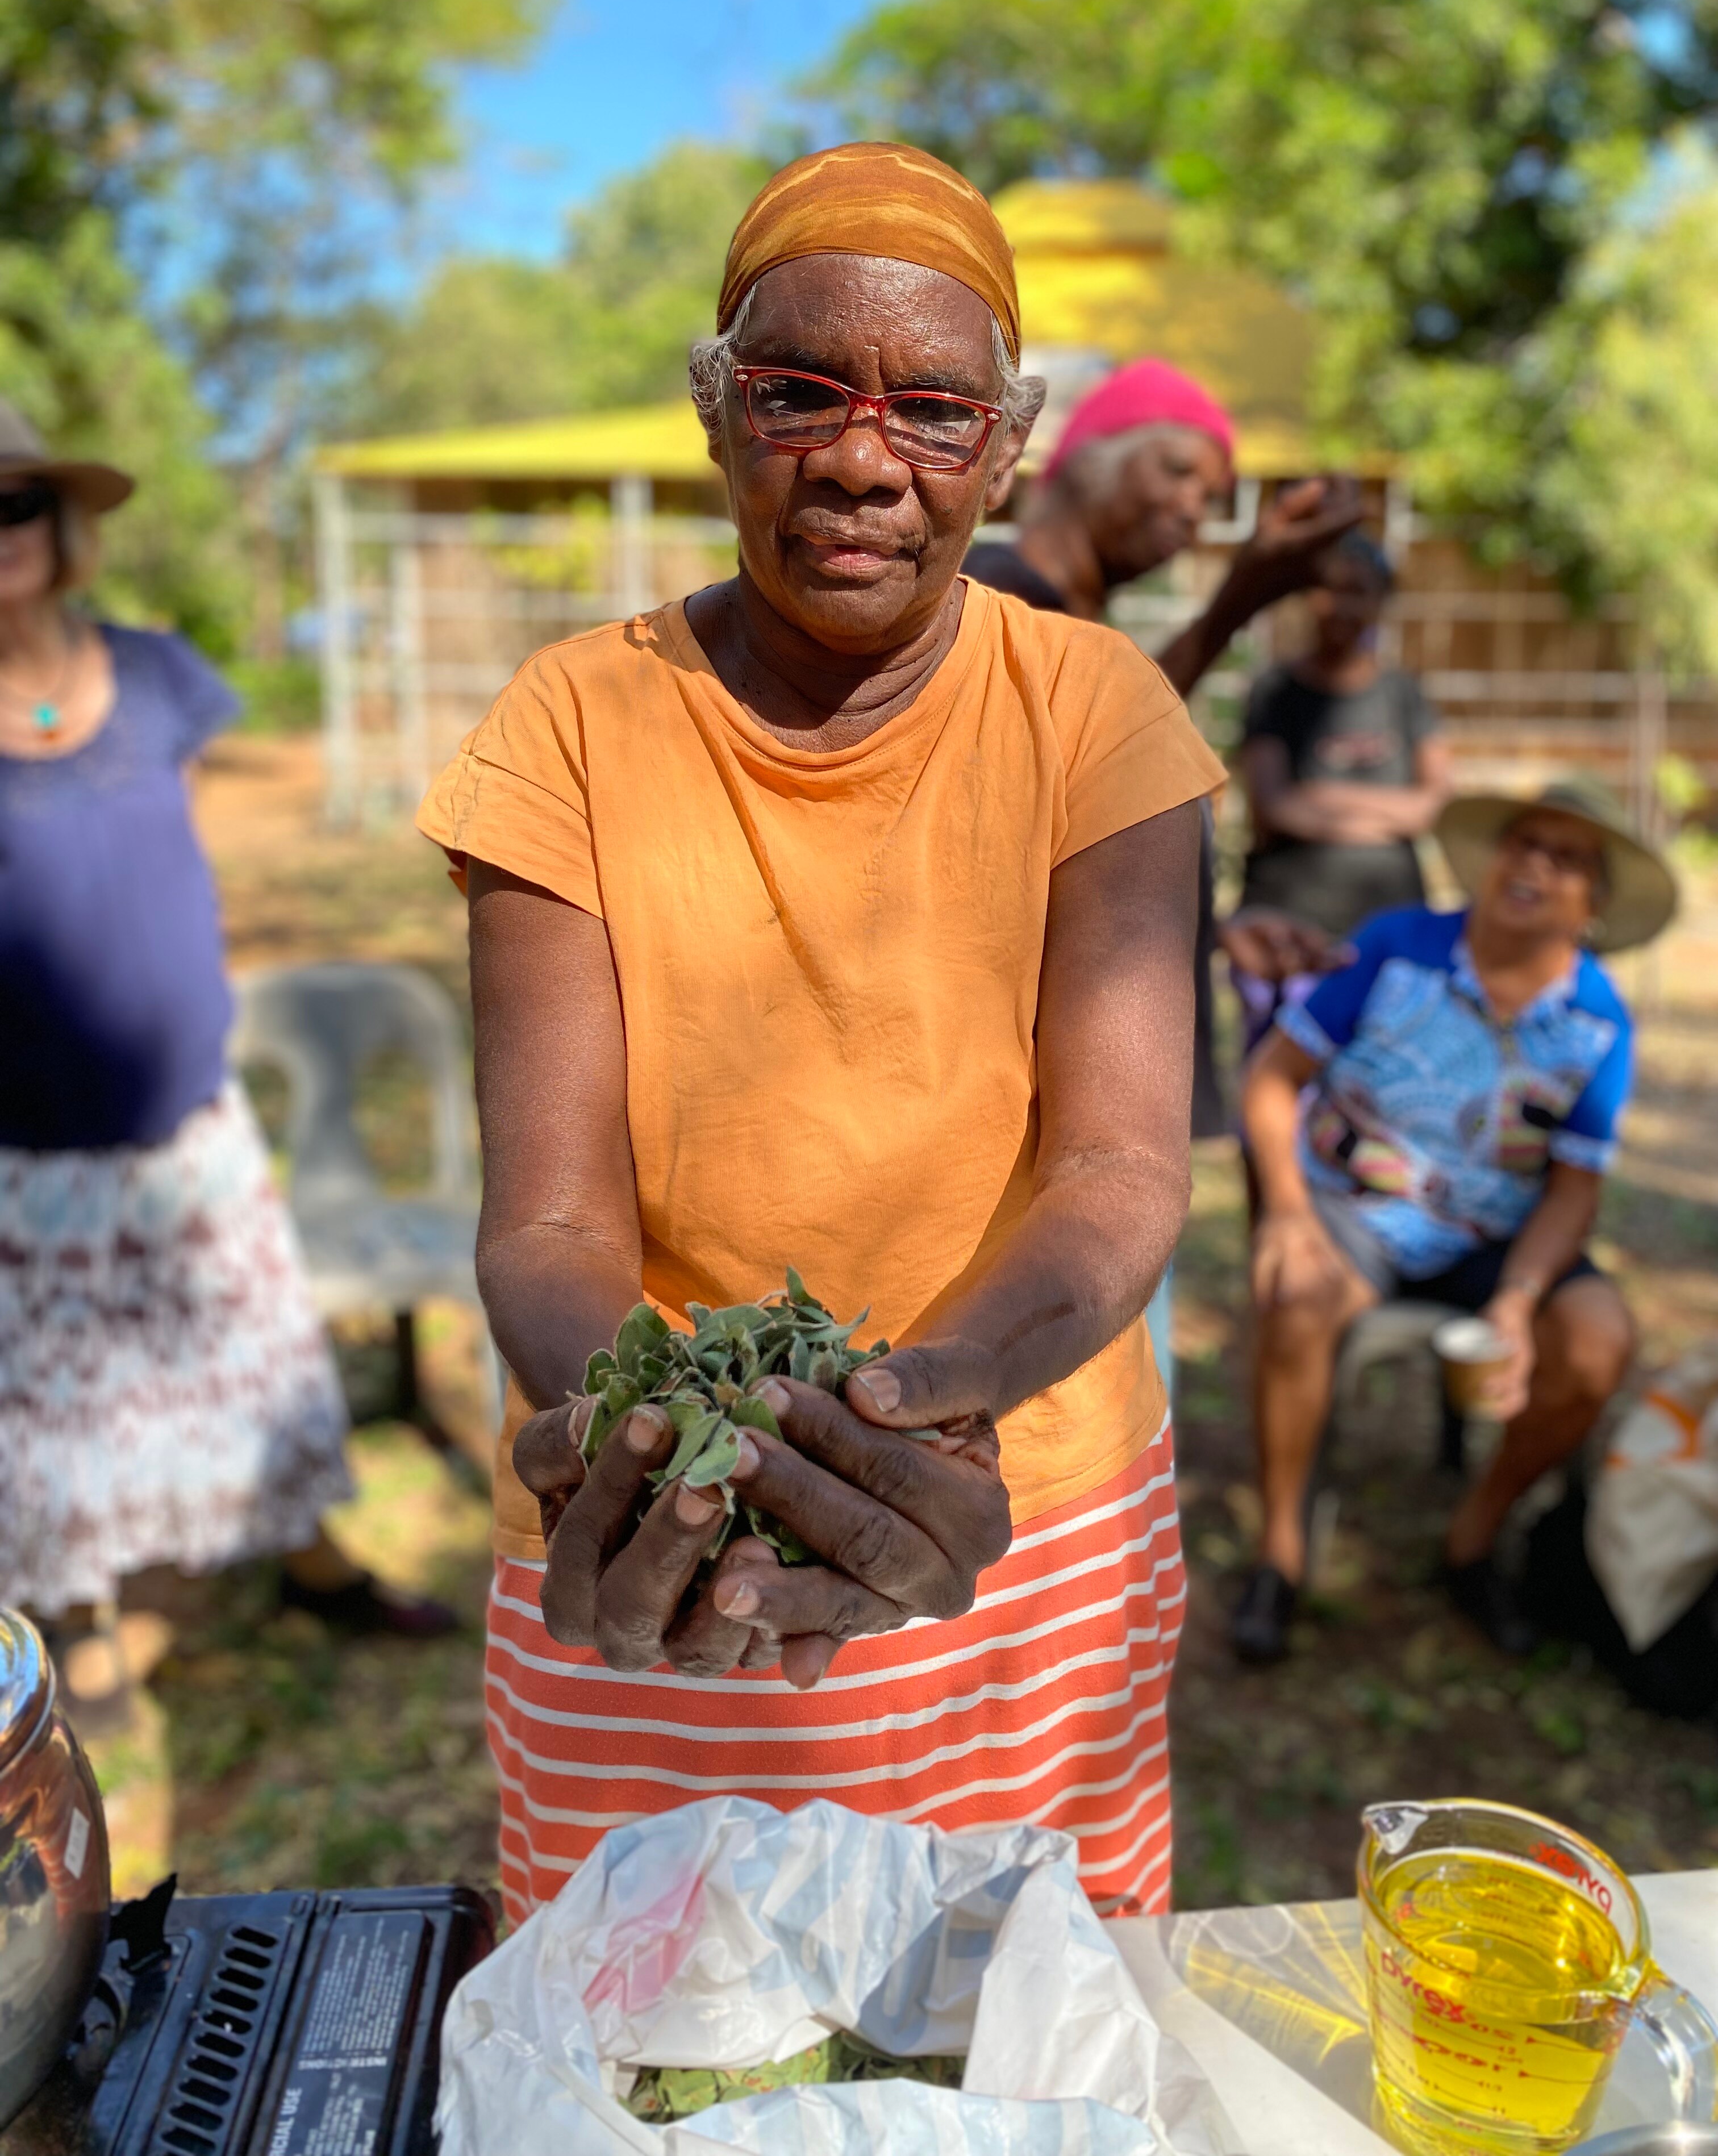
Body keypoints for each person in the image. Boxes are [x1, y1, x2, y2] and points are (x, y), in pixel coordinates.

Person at [418, 141, 1227, 1923]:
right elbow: (550, 1225)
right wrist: (662, 1434)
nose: (866, 459)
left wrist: (916, 1415)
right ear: (716, 415)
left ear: (1004, 453)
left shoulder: (1096, 712)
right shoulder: (571, 726)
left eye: (937, 412)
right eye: (801, 393)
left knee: (1009, 2002)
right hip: (665, 1519)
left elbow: (1114, 1172)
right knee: (656, 2005)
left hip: (1022, 1499)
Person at [0, 402, 450, 1725]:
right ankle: (88, 1630)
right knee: (63, 1408)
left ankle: (308, 1559)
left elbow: (173, 863)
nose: (1, 536)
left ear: (64, 522)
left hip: (192, 1114)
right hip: (33, 1141)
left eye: (17, 505)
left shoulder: (153, 676)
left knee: (256, 1361)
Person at [964, 358, 1364, 1375]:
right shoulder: (993, 604)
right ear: (1085, 454)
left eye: (1214, 500)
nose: (1195, 509)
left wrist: (1202, 928)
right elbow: (1082, 748)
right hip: (1035, 1160)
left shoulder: (1087, 633)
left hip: (1114, 1154)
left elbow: (1068, 845)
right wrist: (1239, 601)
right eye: (1179, 472)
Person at [1232, 780, 1675, 1663]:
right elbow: (1271, 1080)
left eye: (1565, 859)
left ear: (1593, 904)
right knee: (1297, 1296)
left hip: (1493, 1237)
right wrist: (1286, 1214)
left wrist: (1517, 1300)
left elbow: (1574, 1188)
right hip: (1360, 1212)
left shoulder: (1598, 1023)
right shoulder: (1398, 949)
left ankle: (1474, 1540)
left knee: (1597, 1342)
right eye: (1523, 844)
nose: (1534, 866)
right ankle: (1280, 1557)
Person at [1234, 528, 1450, 1048]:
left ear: (1381, 601)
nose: (1342, 605)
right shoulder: (1277, 693)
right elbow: (1274, 807)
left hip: (1390, 937)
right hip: (1287, 936)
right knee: (1279, 1095)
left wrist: (1321, 797)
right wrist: (1386, 818)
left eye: (1359, 590)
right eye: (1330, 588)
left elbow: (1430, 805)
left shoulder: (1405, 695)